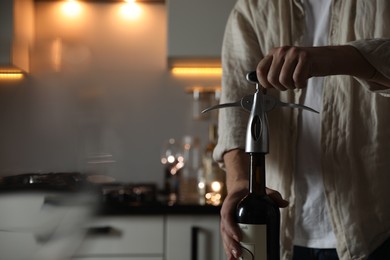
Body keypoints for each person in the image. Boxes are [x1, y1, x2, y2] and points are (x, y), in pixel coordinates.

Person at [213, 0, 390, 259]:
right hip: (282, 231)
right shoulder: (253, 7)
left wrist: (336, 58)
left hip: (375, 229)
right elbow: (236, 107)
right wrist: (239, 180)